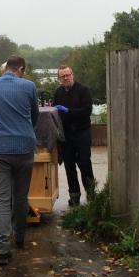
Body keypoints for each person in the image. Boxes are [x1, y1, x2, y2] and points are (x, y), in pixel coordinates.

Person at [0, 55, 39, 266]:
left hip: (0, 148)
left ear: (6, 68)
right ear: (20, 68)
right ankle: (19, 238)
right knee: (21, 196)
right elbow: (35, 116)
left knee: (2, 199)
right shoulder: (29, 86)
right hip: (24, 148)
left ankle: (3, 250)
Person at [53, 66, 95, 207]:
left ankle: (92, 195)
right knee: (69, 166)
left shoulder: (83, 91)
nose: (66, 78)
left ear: (72, 75)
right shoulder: (58, 93)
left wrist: (68, 111)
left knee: (85, 164)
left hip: (82, 132)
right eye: (62, 76)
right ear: (59, 79)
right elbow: (55, 112)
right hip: (66, 135)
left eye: (68, 75)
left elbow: (87, 111)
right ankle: (74, 196)